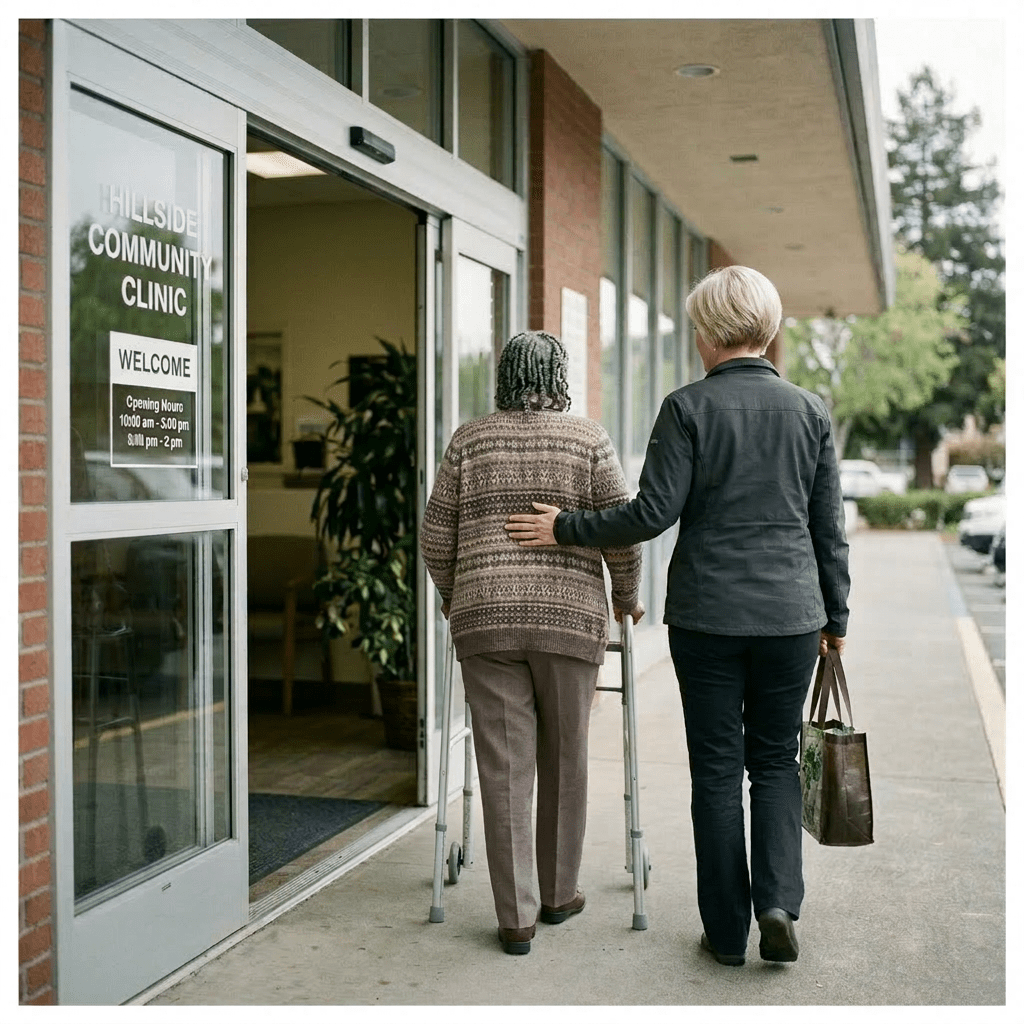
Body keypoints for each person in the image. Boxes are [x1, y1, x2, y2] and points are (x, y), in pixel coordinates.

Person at [506, 266, 850, 967]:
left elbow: (651, 515)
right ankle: (778, 904)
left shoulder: (687, 408)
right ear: (769, 329)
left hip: (708, 618)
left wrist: (565, 527)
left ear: (708, 333)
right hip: (791, 616)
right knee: (777, 762)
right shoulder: (810, 412)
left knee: (719, 771)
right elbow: (828, 530)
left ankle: (725, 934)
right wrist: (835, 619)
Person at [420, 330, 644, 956]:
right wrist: (625, 596)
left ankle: (515, 917)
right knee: (566, 755)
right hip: (569, 620)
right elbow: (623, 530)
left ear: (504, 376)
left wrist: (452, 590)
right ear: (562, 376)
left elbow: (436, 535)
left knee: (505, 766)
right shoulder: (588, 438)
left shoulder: (470, 439)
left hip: (485, 618)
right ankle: (557, 893)